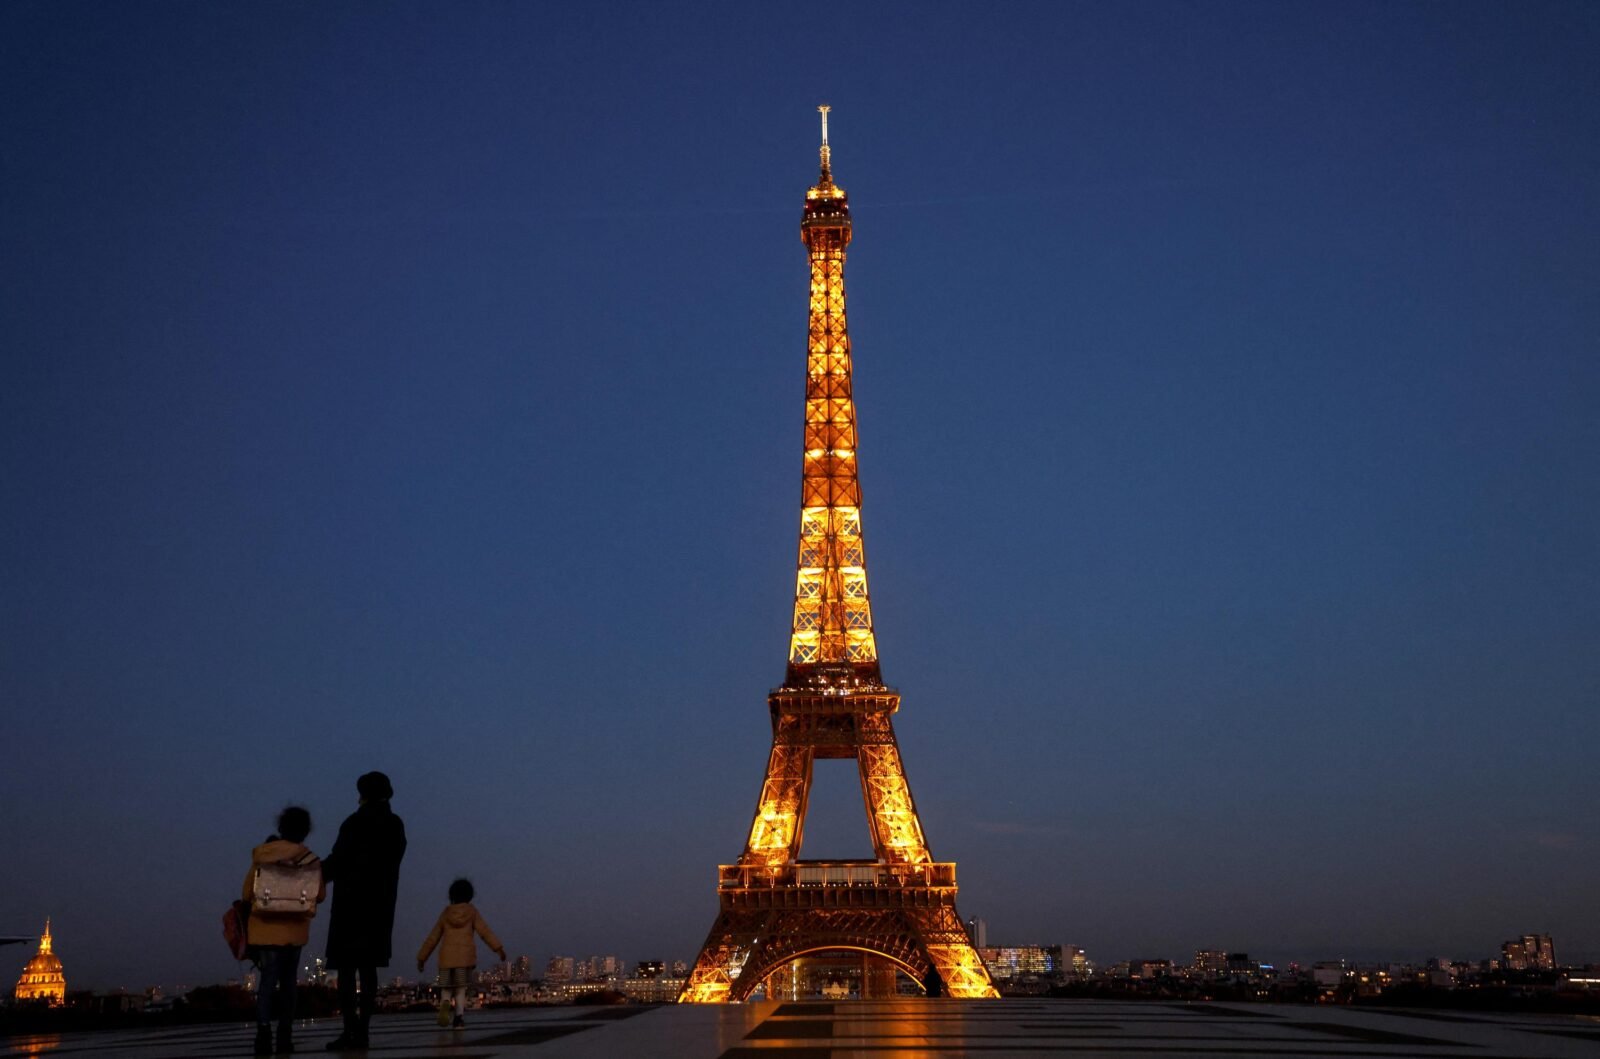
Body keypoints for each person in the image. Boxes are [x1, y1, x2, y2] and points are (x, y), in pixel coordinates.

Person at [321, 772, 407, 1051]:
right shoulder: (395, 824)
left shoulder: (354, 823)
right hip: (380, 906)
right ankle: (364, 1031)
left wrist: (310, 874)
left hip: (349, 904)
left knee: (346, 971)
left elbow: (336, 862)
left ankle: (350, 1030)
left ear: (362, 793)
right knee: (369, 970)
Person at [244, 806, 324, 1056]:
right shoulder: (310, 859)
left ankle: (263, 1033)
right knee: (289, 985)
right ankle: (285, 1035)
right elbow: (319, 895)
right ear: (306, 831)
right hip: (294, 933)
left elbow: (247, 893)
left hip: (264, 931)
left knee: (267, 984)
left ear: (280, 827)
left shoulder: (263, 855)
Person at [416, 878, 507, 1029]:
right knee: (460, 989)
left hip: (446, 958)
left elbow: (433, 937)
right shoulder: (472, 912)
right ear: (470, 895)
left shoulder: (446, 913)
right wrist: (498, 949)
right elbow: (485, 932)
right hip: (464, 959)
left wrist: (422, 958)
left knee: (446, 988)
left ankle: (445, 1004)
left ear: (452, 895)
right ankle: (458, 1019)